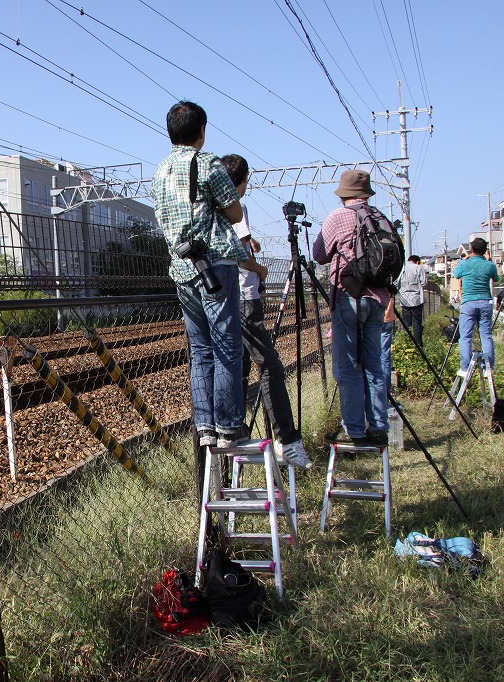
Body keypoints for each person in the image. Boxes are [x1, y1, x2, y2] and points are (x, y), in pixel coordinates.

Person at [152, 102, 249, 448]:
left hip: (181, 269)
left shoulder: (159, 170)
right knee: (227, 345)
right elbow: (236, 213)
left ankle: (205, 425)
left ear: (170, 132)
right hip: (214, 267)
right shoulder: (207, 163)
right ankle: (228, 425)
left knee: (200, 348)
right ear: (202, 131)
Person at [220, 154, 314, 470]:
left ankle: (237, 436)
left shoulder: (211, 206)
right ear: (242, 180)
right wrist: (260, 271)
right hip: (245, 297)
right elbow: (239, 255)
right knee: (270, 364)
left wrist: (252, 243)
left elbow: (240, 242)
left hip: (224, 300)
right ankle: (286, 440)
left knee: (239, 368)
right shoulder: (235, 205)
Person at [312, 170, 390, 448]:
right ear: (367, 194)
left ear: (343, 194)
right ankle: (379, 427)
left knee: (348, 369)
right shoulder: (380, 217)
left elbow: (319, 255)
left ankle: (354, 432)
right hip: (378, 300)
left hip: (349, 296)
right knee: (373, 365)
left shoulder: (338, 216)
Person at [452, 237, 500, 375]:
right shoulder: (489, 265)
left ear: (471, 249)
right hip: (485, 301)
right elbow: (496, 279)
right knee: (486, 335)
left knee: (465, 336)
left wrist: (466, 258)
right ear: (485, 250)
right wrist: (488, 260)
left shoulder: (465, 264)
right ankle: (489, 368)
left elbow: (456, 274)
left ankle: (465, 368)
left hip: (468, 303)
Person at [395, 255, 428, 346]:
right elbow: (424, 283)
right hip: (416, 299)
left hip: (404, 299)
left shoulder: (402, 267)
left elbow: (396, 282)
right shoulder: (418, 268)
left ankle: (405, 344)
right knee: (417, 323)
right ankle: (418, 345)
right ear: (417, 261)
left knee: (406, 323)